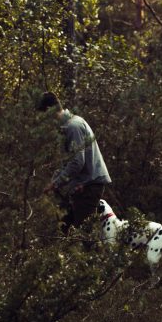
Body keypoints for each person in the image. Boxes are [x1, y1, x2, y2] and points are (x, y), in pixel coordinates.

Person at [37, 91, 112, 235]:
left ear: (49, 111)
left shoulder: (73, 127)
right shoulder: (70, 125)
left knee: (83, 236)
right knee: (65, 229)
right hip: (84, 186)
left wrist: (55, 184)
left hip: (89, 186)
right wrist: (54, 181)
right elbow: (68, 163)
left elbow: (77, 162)